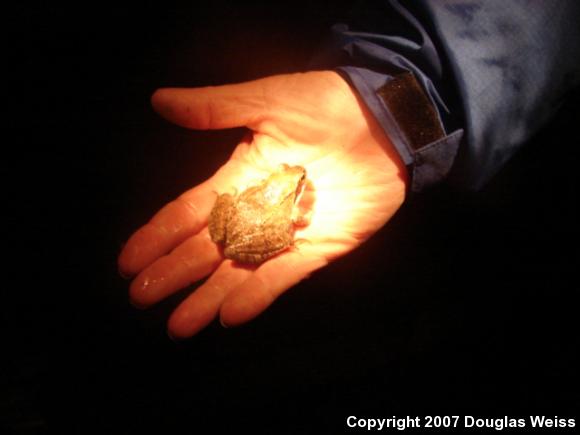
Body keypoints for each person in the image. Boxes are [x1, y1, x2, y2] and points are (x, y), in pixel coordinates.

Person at [118, 1, 580, 339]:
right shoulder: (291, 203)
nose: (298, 178)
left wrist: (406, 103)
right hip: (257, 216)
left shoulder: (274, 191)